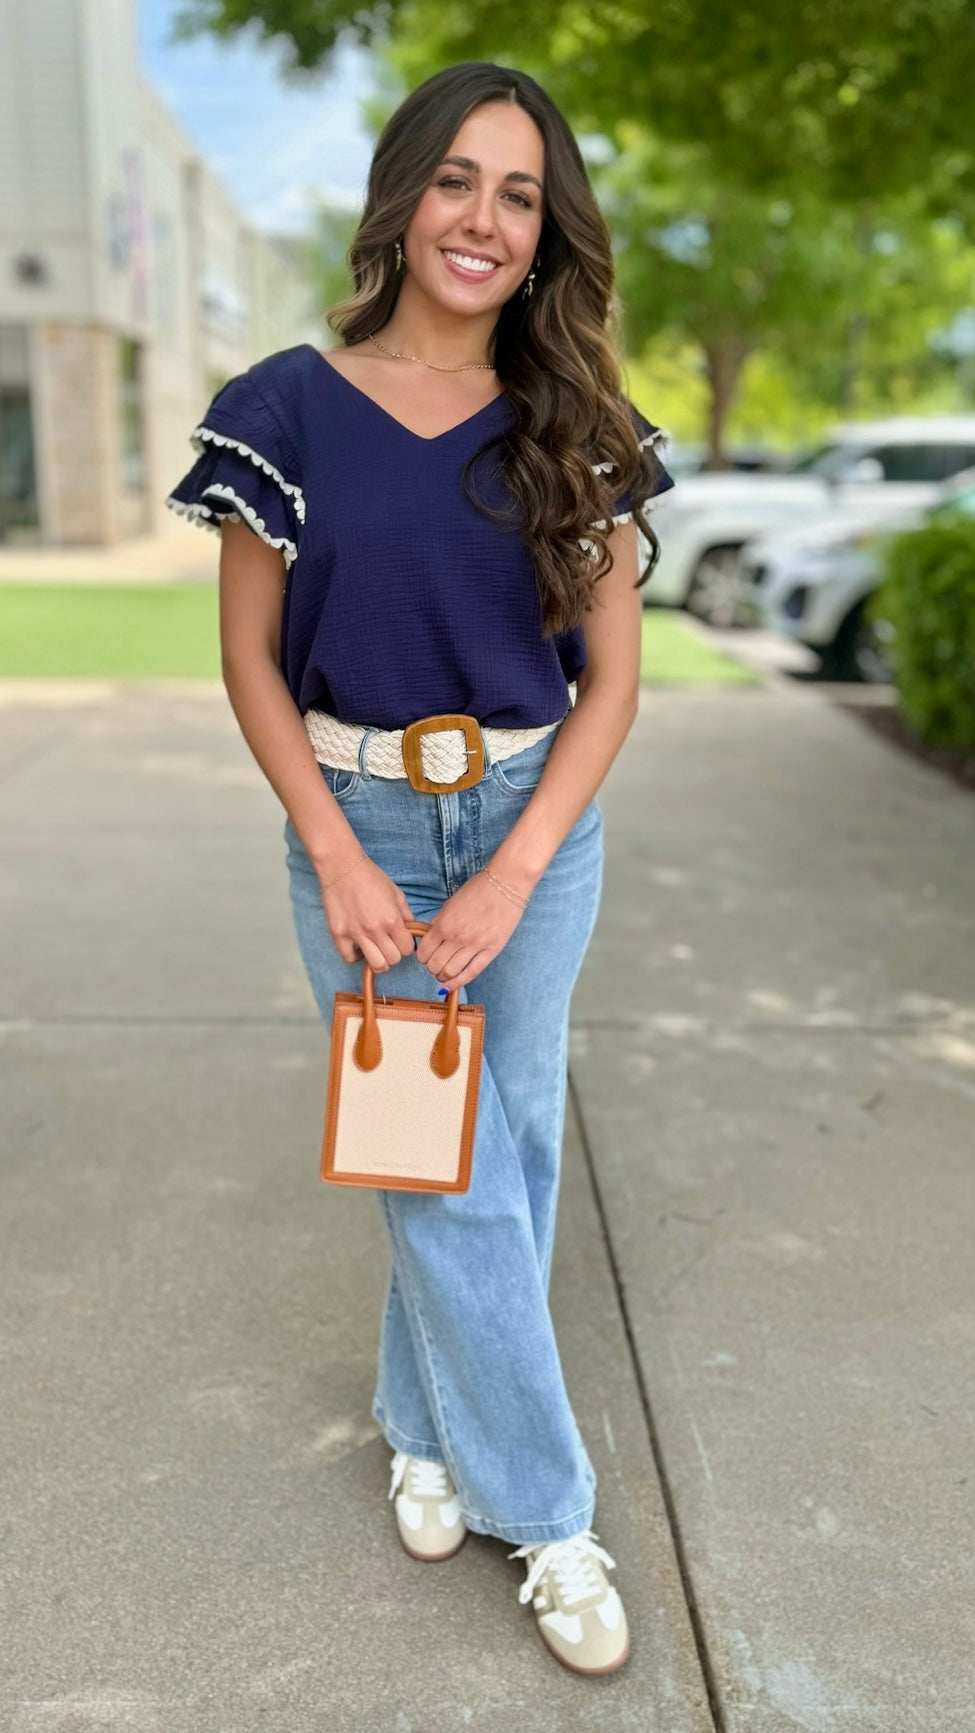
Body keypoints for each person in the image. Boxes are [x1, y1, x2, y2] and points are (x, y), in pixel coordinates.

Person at [166, 59, 673, 1677]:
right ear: (404, 194)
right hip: (364, 832)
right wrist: (335, 845)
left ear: (546, 233)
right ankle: (558, 1516)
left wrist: (520, 867)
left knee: (501, 1152)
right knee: (436, 1166)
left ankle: (427, 1427)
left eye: (520, 194)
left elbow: (614, 681)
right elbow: (251, 661)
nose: (484, 218)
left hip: (535, 826)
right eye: (458, 178)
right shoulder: (284, 407)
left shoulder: (576, 419)